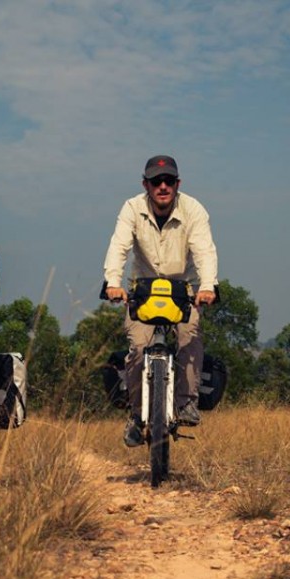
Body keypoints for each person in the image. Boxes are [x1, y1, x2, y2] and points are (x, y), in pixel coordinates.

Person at [103, 155, 218, 447]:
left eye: (169, 181)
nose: (163, 186)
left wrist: (207, 286)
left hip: (183, 290)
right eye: (156, 181)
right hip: (142, 289)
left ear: (178, 184)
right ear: (146, 184)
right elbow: (119, 246)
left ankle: (186, 403)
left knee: (188, 335)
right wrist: (113, 283)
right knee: (138, 347)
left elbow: (204, 250)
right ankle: (136, 413)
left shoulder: (193, 210)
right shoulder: (132, 208)